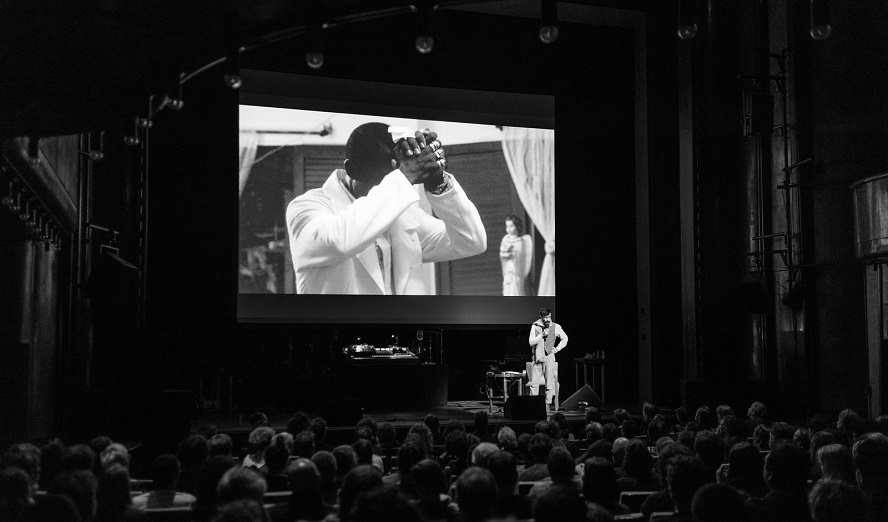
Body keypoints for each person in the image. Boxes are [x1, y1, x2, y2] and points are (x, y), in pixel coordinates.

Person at [286, 123, 486, 295]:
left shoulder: (404, 214)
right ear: (352, 170)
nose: (395, 183)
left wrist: (438, 184)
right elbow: (340, 241)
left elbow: (471, 242)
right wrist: (402, 176)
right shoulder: (305, 208)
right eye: (386, 176)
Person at [528, 307, 568, 410]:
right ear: (541, 316)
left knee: (549, 383)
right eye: (545, 317)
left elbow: (565, 338)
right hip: (537, 358)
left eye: (549, 317)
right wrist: (541, 335)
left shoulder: (555, 327)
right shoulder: (535, 326)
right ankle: (534, 405)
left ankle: (547, 404)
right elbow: (531, 342)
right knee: (534, 384)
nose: (548, 319)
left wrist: (558, 348)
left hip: (549, 357)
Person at [499, 214, 533, 296]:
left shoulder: (520, 241)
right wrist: (505, 255)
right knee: (508, 288)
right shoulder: (505, 239)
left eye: (511, 226)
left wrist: (513, 253)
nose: (508, 229)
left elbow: (521, 255)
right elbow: (502, 253)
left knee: (516, 289)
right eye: (507, 226)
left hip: (516, 270)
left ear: (517, 226)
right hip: (508, 270)